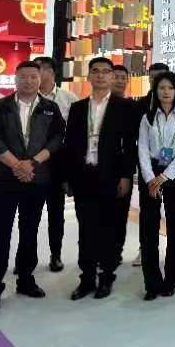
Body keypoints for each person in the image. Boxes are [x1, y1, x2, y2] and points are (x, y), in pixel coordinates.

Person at [0, 61, 65, 312]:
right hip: (5, 178)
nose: (28, 81)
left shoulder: (50, 108)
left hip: (36, 178)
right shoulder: (1, 106)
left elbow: (56, 139)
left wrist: (33, 163)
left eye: (33, 77)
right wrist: (17, 165)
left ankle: (26, 280)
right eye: (23, 77)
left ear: (40, 79)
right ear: (15, 79)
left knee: (29, 231)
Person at [65, 58, 136, 301]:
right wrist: (68, 177)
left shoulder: (124, 107)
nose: (101, 76)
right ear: (89, 77)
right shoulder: (77, 108)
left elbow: (130, 145)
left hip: (112, 176)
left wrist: (126, 175)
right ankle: (86, 279)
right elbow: (69, 145)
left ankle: (106, 276)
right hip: (84, 175)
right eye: (96, 71)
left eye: (106, 72)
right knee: (86, 229)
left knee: (109, 229)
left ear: (112, 77)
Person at [137, 72, 175, 300]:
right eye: (161, 88)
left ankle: (171, 280)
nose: (166, 91)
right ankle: (152, 283)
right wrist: (150, 178)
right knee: (148, 231)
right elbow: (142, 148)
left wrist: (165, 176)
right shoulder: (147, 118)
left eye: (170, 87)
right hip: (150, 174)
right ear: (155, 91)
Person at [35, 56, 77, 274]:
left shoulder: (69, 99)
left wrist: (71, 173)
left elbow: (75, 137)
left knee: (56, 212)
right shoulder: (25, 98)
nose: (34, 75)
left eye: (38, 70)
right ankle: (26, 257)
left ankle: (56, 254)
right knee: (29, 213)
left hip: (58, 164)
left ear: (51, 72)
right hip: (31, 164)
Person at [131, 62, 170, 267]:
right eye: (153, 77)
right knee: (148, 211)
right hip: (149, 166)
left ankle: (174, 251)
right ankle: (145, 250)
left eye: (161, 76)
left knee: (174, 210)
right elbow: (136, 137)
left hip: (172, 167)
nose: (156, 80)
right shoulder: (140, 105)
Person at [110, 63, 134, 264]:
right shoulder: (93, 105)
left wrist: (127, 174)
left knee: (120, 214)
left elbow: (132, 144)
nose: (119, 81)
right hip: (96, 170)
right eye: (115, 76)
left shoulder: (132, 107)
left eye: (122, 77)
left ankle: (115, 251)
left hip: (122, 169)